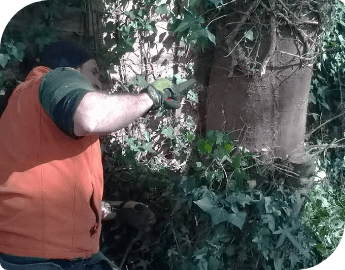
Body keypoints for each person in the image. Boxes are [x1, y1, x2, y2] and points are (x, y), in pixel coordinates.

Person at [0, 40, 184, 270]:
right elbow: (92, 116)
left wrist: (120, 208)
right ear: (72, 70)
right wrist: (150, 97)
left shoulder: (34, 112)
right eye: (93, 72)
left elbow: (57, 199)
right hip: (43, 259)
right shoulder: (55, 78)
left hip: (38, 254)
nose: (98, 82)